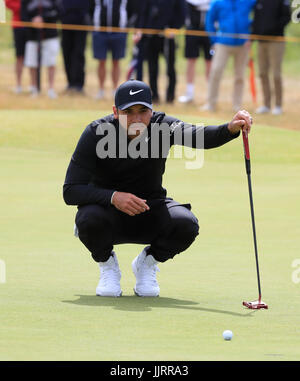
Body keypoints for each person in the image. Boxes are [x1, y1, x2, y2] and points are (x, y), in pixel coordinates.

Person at [63, 79, 253, 297]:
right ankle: (107, 266)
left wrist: (229, 128)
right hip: (107, 214)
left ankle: (147, 264)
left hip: (149, 210)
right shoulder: (96, 133)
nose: (136, 119)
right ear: (115, 112)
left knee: (186, 224)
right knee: (88, 220)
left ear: (152, 111)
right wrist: (114, 197)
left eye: (143, 111)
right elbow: (70, 190)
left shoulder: (163, 126)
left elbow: (198, 136)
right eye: (128, 112)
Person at [203, 0, 257, 112]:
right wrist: (214, 39)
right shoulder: (218, 0)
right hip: (223, 43)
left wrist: (251, 34)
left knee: (240, 75)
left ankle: (237, 105)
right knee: (216, 71)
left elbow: (261, 12)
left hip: (243, 44)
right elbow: (209, 21)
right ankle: (211, 103)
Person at [178, 0, 223, 104]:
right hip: (192, 29)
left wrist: (201, 3)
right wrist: (207, 2)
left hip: (210, 31)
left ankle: (210, 95)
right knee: (191, 60)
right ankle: (190, 93)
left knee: (210, 61)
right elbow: (191, 0)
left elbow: (216, 3)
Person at [252, 0, 291, 116]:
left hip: (276, 40)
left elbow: (286, 17)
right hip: (261, 41)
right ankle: (266, 104)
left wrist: (272, 30)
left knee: (276, 73)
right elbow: (257, 19)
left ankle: (278, 105)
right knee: (262, 73)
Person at [145, 0, 186, 104]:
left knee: (170, 68)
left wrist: (175, 29)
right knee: (152, 68)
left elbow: (182, 14)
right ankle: (154, 96)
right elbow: (146, 15)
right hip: (153, 36)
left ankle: (170, 97)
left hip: (169, 37)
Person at [91, 0, 133, 99]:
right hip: (100, 32)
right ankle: (101, 89)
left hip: (118, 33)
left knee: (116, 61)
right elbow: (90, 9)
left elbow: (132, 11)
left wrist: (127, 26)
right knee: (101, 60)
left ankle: (116, 89)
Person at [56, 0, 96, 94]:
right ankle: (70, 83)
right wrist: (62, 16)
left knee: (79, 53)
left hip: (81, 24)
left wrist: (88, 18)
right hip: (66, 23)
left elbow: (93, 1)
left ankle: (79, 83)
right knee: (67, 52)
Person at [21, 0, 60, 98]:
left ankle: (51, 88)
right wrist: (32, 21)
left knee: (50, 62)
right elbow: (23, 16)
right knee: (32, 62)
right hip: (32, 36)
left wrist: (43, 18)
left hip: (49, 35)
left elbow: (58, 12)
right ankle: (34, 88)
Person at [4, 0, 35, 94]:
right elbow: (8, 1)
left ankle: (33, 85)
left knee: (33, 55)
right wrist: (23, 8)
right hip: (18, 24)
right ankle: (18, 84)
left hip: (32, 26)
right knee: (20, 56)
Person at [130, 0, 156, 81]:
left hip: (153, 34)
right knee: (138, 62)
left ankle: (153, 91)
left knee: (153, 63)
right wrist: (136, 31)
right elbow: (133, 15)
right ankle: (138, 87)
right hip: (139, 34)